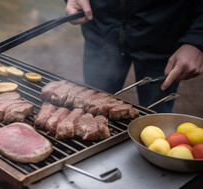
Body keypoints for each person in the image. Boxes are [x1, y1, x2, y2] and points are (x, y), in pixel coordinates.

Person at [65, 0, 203, 112]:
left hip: (164, 37)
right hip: (100, 31)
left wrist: (197, 40)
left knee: (155, 122)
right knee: (89, 108)